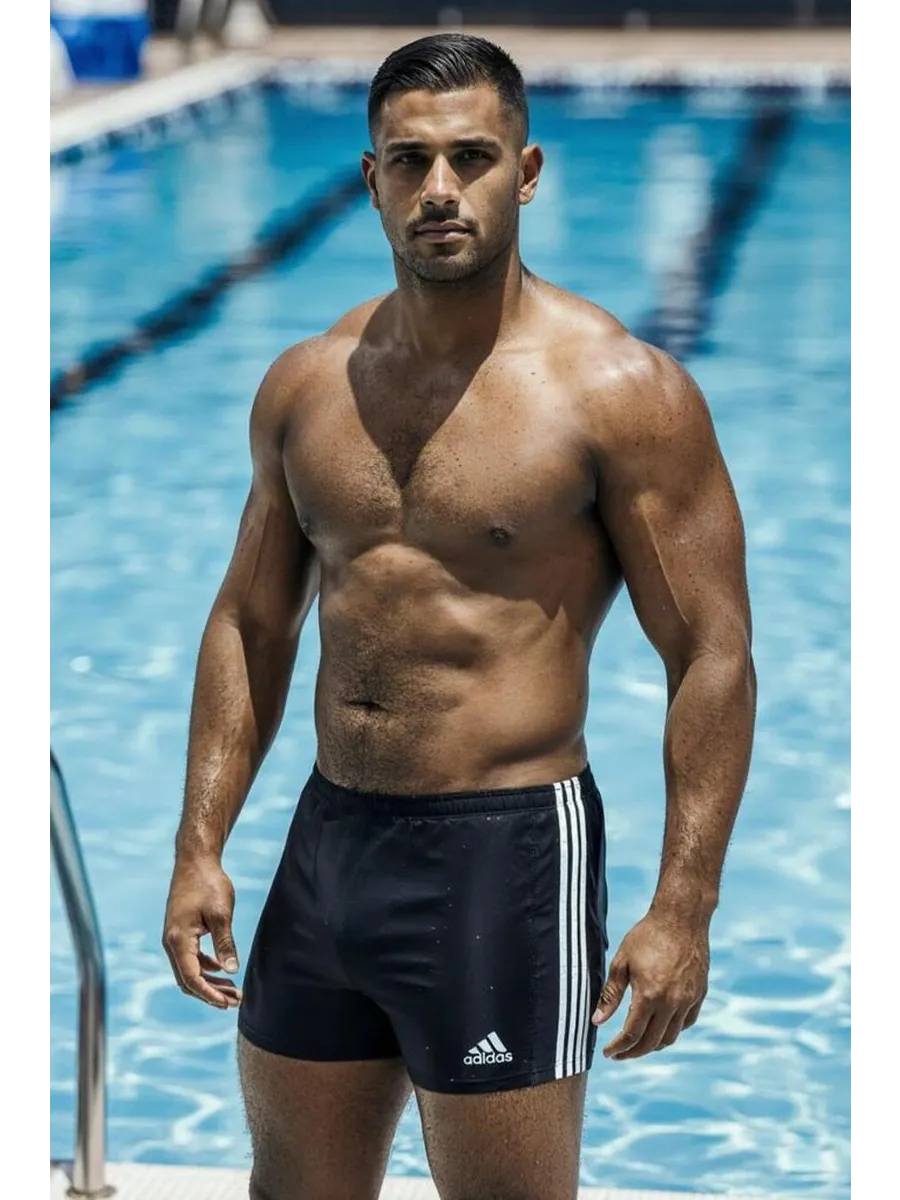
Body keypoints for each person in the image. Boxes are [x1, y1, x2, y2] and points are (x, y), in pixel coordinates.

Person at [162, 32, 756, 1200]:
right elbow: (251, 623)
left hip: (506, 856)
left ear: (524, 173)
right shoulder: (307, 384)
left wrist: (684, 904)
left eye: (471, 158)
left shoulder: (619, 392)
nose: (440, 188)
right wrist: (199, 847)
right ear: (371, 179)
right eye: (410, 160)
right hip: (330, 843)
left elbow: (712, 655)